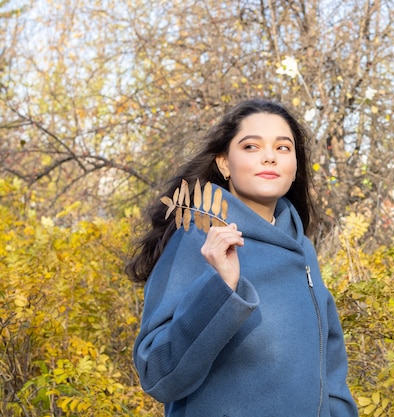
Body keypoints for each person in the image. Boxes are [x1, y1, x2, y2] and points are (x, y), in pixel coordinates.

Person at [126, 98, 359, 417]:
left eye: (283, 148)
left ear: (295, 166)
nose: (269, 158)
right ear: (224, 163)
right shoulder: (199, 236)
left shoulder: (302, 248)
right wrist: (221, 289)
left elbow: (329, 373)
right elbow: (157, 375)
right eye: (251, 146)